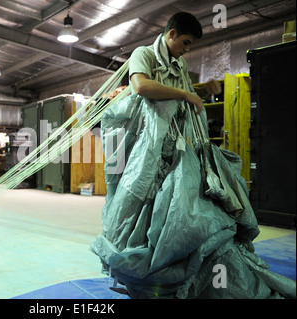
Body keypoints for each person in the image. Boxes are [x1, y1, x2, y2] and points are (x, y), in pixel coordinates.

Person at [91, 12, 296, 299]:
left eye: (190, 45)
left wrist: (197, 100)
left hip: (173, 146)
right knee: (140, 205)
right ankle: (142, 275)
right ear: (171, 34)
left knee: (179, 207)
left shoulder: (180, 65)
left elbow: (189, 108)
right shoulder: (144, 54)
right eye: (185, 42)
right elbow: (140, 86)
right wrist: (185, 94)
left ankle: (175, 272)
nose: (187, 49)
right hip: (147, 146)